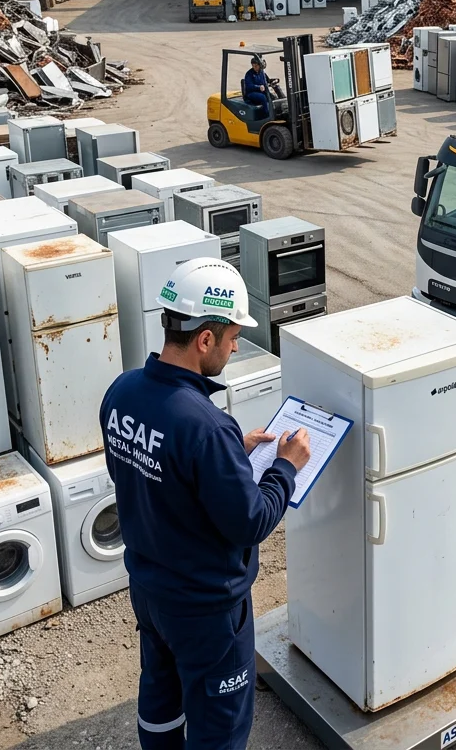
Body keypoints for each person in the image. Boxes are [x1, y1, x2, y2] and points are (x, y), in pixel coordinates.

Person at [100, 258, 311, 750]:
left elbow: (142, 474)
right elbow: (251, 520)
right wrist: (285, 467)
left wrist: (227, 458)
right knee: (220, 723)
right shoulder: (206, 425)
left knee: (160, 692)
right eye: (233, 337)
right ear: (204, 339)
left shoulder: (122, 391)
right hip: (206, 608)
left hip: (150, 590)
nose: (236, 347)